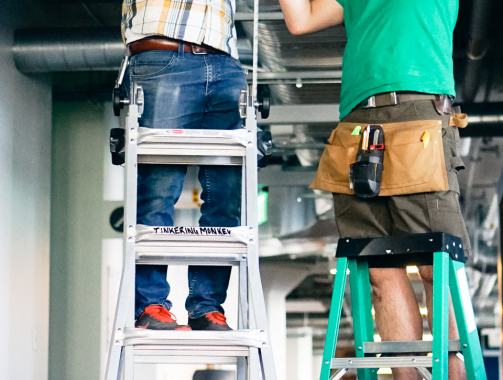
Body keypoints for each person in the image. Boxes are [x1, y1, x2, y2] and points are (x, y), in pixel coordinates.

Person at [277, 0, 469, 379]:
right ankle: (405, 376)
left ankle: (454, 372)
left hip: (419, 113)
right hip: (356, 126)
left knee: (436, 267)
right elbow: (301, 20)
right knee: (380, 273)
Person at [121, 0, 247, 331]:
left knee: (228, 195)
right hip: (163, 53)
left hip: (225, 61)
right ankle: (151, 305)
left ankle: (207, 307)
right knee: (158, 187)